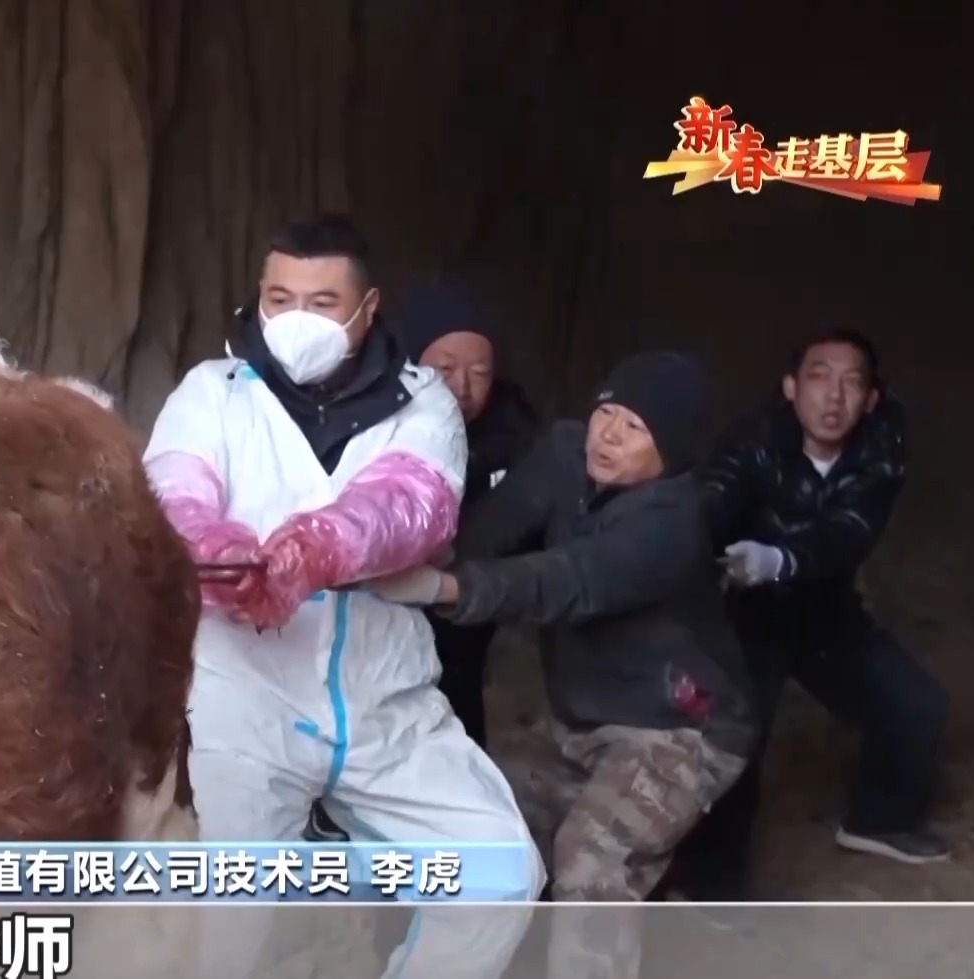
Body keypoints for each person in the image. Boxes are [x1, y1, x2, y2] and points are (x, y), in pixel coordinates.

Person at [144, 215, 541, 979]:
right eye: (280, 298)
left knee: (500, 874)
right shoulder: (214, 392)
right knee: (219, 927)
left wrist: (317, 549)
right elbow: (173, 494)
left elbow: (411, 502)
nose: (297, 318)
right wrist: (221, 558)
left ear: (367, 308)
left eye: (322, 302)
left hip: (382, 702)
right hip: (243, 703)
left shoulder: (422, 401)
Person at [375, 351, 757, 979]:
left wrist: (443, 589)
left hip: (681, 733)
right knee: (485, 822)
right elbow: (488, 532)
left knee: (593, 859)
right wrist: (409, 556)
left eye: (635, 427)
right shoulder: (564, 455)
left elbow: (568, 580)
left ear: (673, 452)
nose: (609, 434)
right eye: (607, 412)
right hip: (583, 726)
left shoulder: (673, 522)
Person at [670, 329, 948, 900]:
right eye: (819, 377)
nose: (834, 396)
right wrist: (704, 552)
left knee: (917, 705)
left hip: (823, 607)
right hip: (743, 610)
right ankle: (709, 881)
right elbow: (712, 502)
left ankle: (879, 820)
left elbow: (848, 533)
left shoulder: (882, 449)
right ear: (791, 388)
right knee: (737, 736)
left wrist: (781, 560)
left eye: (852, 383)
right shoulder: (753, 439)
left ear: (870, 399)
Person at [399, 286, 543, 750]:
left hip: (464, 605)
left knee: (456, 705)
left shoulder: (514, 431)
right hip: (385, 603)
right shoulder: (378, 420)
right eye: (445, 370)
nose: (462, 388)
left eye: (479, 373)